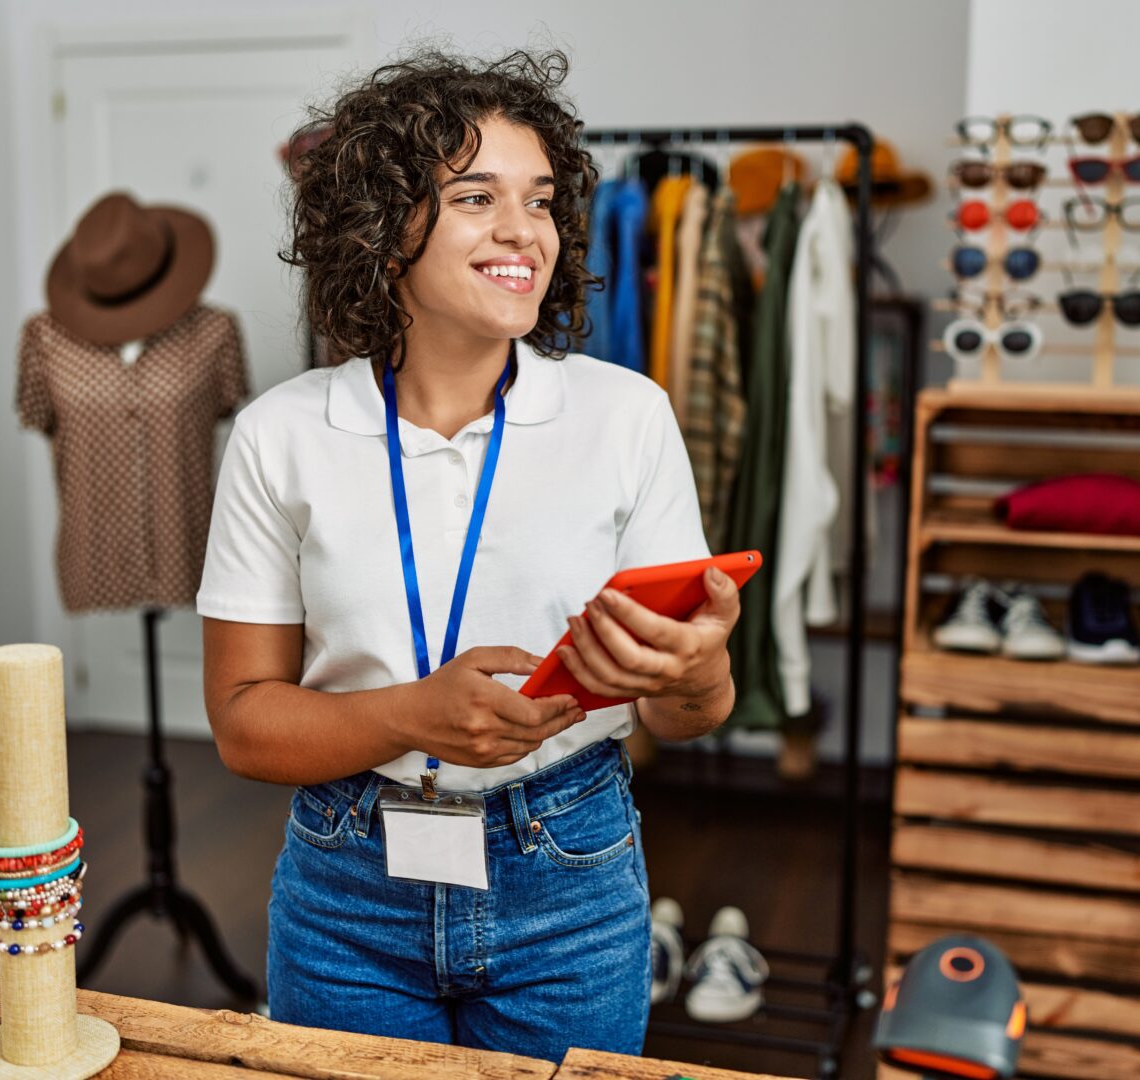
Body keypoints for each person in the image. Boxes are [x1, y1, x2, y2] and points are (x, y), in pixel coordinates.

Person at [195, 48, 740, 1061]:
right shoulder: (283, 433)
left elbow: (689, 714)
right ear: (379, 227)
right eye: (476, 197)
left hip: (568, 871)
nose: (522, 230)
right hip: (347, 886)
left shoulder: (626, 416)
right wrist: (412, 715)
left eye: (539, 200)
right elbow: (241, 725)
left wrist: (700, 668)